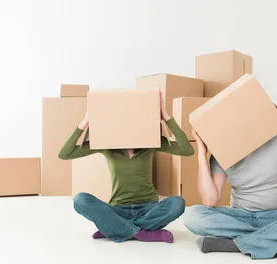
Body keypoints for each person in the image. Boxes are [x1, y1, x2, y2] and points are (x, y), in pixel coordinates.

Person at [58, 94, 194, 243]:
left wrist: (166, 116)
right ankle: (141, 232)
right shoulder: (106, 145)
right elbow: (65, 154)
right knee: (80, 200)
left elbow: (187, 150)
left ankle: (114, 229)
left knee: (177, 203)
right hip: (118, 209)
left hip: (148, 208)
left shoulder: (151, 142)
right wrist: (86, 120)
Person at [183, 128, 277, 259]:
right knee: (193, 216)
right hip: (239, 218)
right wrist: (202, 153)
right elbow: (210, 200)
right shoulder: (222, 152)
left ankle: (237, 244)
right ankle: (276, 241)